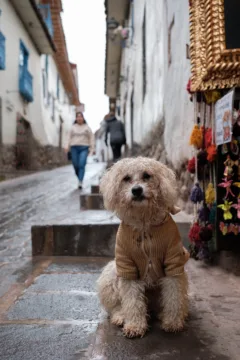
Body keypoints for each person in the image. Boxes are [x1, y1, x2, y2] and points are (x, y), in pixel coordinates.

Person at [66, 112, 95, 189]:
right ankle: (79, 177)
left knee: (81, 164)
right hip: (74, 148)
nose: (79, 118)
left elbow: (91, 138)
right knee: (76, 165)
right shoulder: (72, 128)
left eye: (80, 117)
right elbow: (68, 137)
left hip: (84, 148)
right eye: (77, 117)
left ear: (83, 118)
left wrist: (92, 148)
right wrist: (67, 146)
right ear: (76, 118)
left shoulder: (87, 128)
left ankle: (80, 181)